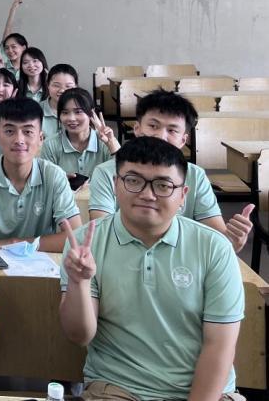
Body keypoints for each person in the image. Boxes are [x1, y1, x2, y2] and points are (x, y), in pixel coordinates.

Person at [60, 137, 245, 401]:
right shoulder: (85, 244)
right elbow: (79, 336)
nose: (147, 194)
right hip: (118, 388)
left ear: (183, 195)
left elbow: (219, 346)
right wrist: (78, 283)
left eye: (163, 185)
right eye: (133, 181)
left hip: (206, 393)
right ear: (116, 185)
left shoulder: (215, 247)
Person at [88, 89, 254, 253]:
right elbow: (102, 236)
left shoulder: (195, 175)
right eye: (153, 126)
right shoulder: (107, 172)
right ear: (137, 129)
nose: (161, 136)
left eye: (172, 130)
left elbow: (219, 240)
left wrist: (232, 241)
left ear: (183, 140)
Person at [0, 98, 80, 250]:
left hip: (39, 262)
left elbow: (76, 237)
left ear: (40, 138)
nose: (19, 140)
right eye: (9, 131)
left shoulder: (53, 175)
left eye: (28, 132)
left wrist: (16, 243)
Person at [40, 88, 120, 180]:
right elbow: (46, 181)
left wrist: (112, 144)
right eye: (65, 112)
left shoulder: (105, 141)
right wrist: (61, 181)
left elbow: (121, 176)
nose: (71, 118)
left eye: (78, 112)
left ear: (91, 113)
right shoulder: (50, 145)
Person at [42, 63, 78, 140]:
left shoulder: (82, 112)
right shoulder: (35, 110)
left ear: (76, 87)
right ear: (48, 85)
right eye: (56, 85)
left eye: (68, 86)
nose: (62, 90)